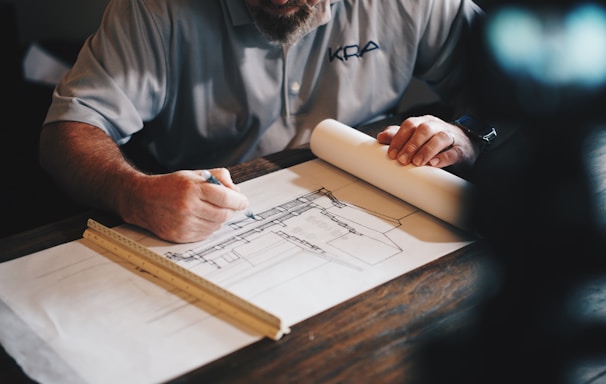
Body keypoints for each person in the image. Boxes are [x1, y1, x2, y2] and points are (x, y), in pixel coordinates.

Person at [40, 0, 486, 243]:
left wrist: (466, 132)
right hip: (208, 219)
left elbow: (520, 86)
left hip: (383, 214)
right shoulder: (154, 10)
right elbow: (69, 130)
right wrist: (132, 193)